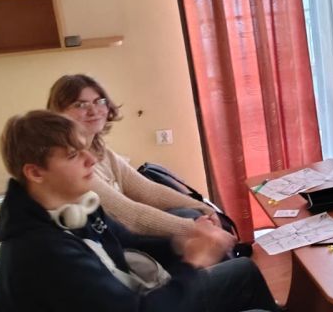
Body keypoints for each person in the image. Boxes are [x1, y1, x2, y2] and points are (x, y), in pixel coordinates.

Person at [0, 110, 315, 312]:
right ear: (35, 172)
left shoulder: (74, 205)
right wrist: (192, 262)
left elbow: (130, 241)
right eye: (74, 155)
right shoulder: (41, 251)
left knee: (242, 272)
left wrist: (191, 237)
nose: (91, 160)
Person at [47, 74, 224, 240]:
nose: (94, 111)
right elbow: (130, 216)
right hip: (111, 243)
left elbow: (149, 191)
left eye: (99, 101)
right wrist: (195, 227)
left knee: (193, 214)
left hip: (124, 235)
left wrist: (204, 208)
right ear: (58, 113)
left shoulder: (102, 151)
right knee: (193, 223)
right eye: (80, 105)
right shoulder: (67, 163)